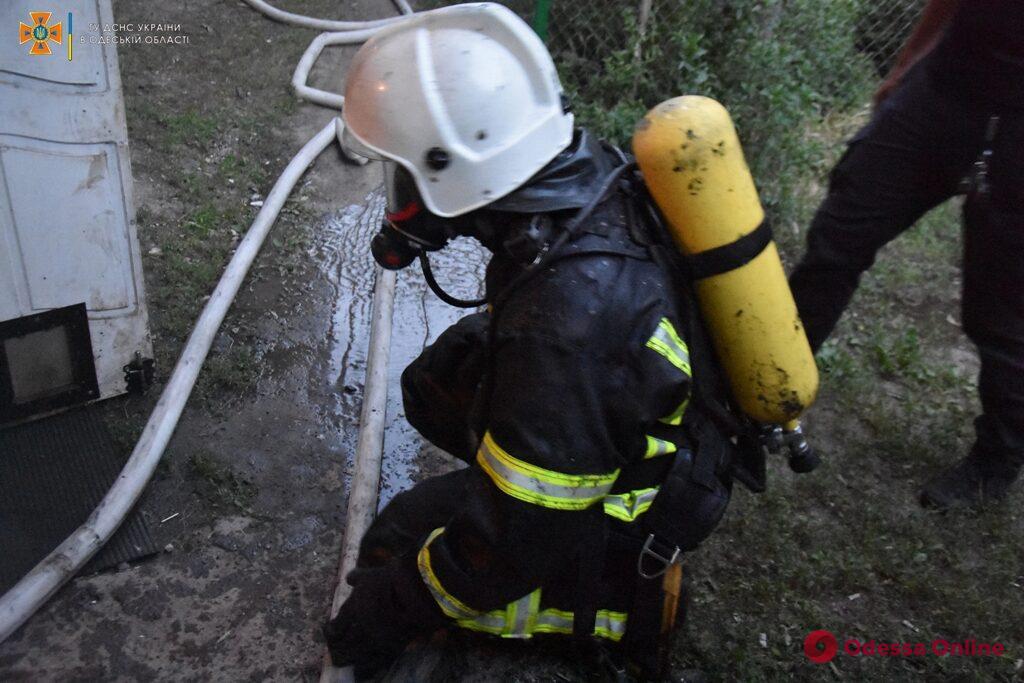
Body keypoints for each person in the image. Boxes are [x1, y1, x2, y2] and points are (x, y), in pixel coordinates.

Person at [321, 4, 744, 679]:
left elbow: (515, 543)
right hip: (628, 396)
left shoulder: (563, 332)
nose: (395, 192)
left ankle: (618, 605)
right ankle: (538, 467)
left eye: (402, 171)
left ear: (449, 168)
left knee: (395, 542)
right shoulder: (579, 175)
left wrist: (390, 606)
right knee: (439, 378)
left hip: (632, 507)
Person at [788, 0, 1024, 508]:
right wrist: (908, 62)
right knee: (838, 238)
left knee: (1001, 314)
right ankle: (768, 384)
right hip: (941, 92)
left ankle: (995, 463)